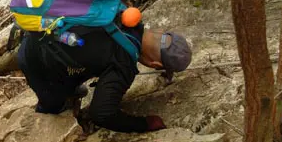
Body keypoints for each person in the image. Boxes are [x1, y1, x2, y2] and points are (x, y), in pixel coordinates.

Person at [17, 21, 191, 132]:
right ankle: (55, 103)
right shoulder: (123, 65)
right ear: (155, 66)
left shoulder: (125, 15)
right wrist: (144, 124)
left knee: (83, 68)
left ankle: (71, 89)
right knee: (54, 104)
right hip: (35, 61)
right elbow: (102, 114)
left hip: (42, 29)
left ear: (161, 31)